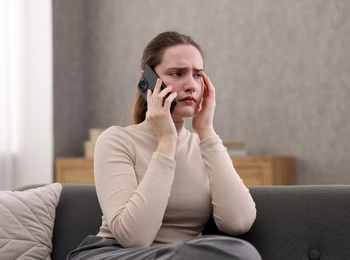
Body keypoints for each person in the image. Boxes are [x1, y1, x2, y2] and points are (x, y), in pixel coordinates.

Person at [67, 31, 261, 260]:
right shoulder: (117, 140)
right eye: (177, 73)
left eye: (198, 75)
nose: (191, 85)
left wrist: (206, 131)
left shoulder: (204, 147)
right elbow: (134, 239)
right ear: (147, 80)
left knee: (240, 252)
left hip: (182, 255)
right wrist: (167, 141)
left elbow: (238, 222)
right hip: (115, 254)